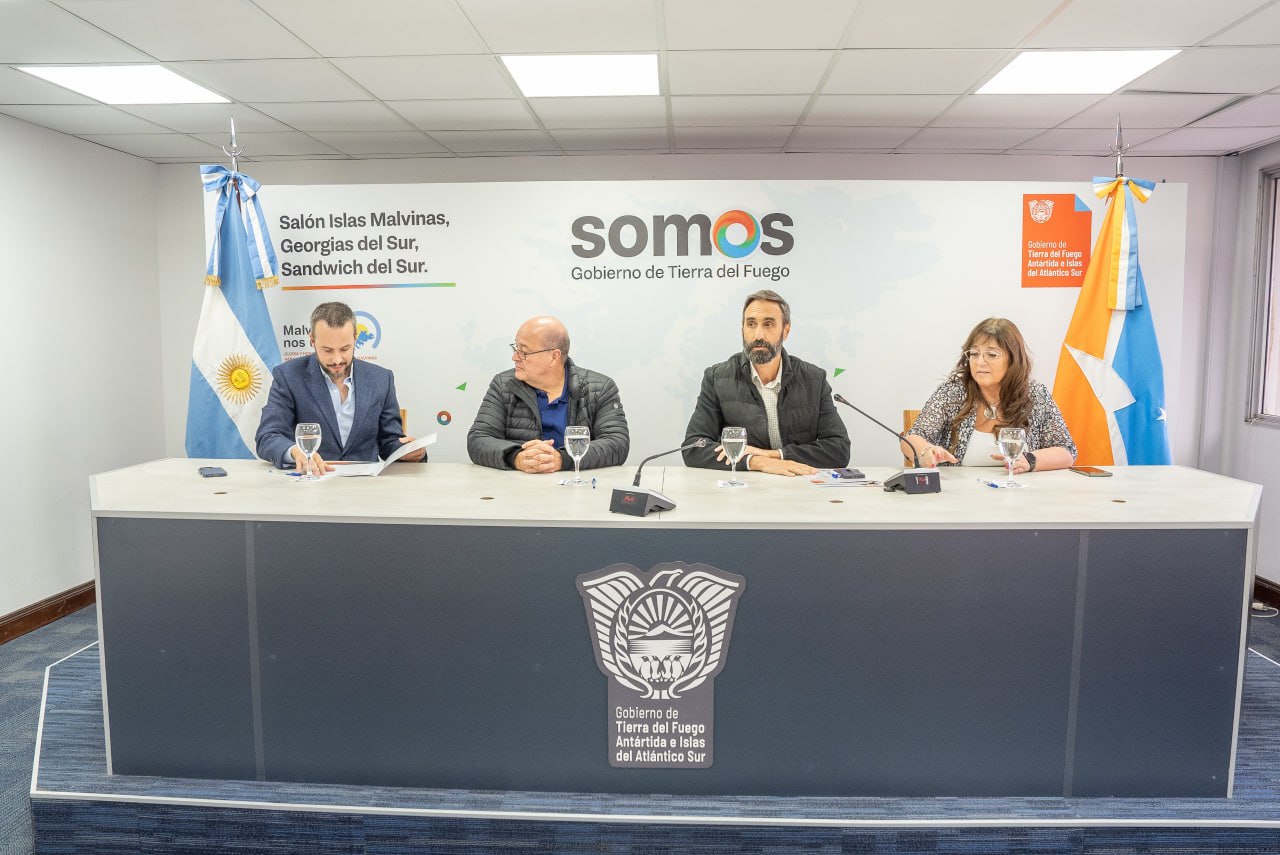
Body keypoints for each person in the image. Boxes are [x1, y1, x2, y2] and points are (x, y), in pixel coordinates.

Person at [682, 289, 850, 475]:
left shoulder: (814, 379)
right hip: (745, 486)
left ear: (785, 330)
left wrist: (775, 456)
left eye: (768, 324)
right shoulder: (718, 378)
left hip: (799, 484)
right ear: (742, 329)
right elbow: (693, 447)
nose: (758, 335)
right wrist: (756, 462)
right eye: (751, 324)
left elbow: (839, 449)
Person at [255, 301, 426, 474]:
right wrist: (294, 451)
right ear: (312, 340)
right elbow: (267, 436)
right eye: (328, 350)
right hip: (312, 480)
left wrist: (409, 451)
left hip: (366, 484)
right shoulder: (288, 376)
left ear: (355, 338)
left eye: (345, 349)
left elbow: (389, 442)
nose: (337, 359)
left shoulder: (382, 379)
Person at [903, 317, 1076, 473]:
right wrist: (926, 452)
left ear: (1013, 359)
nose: (980, 362)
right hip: (960, 494)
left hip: (1022, 494)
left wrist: (1029, 460)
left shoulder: (1035, 395)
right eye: (974, 353)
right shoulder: (952, 393)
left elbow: (1066, 451)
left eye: (991, 355)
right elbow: (910, 439)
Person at [467, 316, 630, 473]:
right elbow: (478, 439)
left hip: (575, 486)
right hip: (518, 485)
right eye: (515, 348)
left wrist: (561, 459)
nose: (514, 357)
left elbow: (617, 444)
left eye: (524, 352)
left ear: (554, 357)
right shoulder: (503, 385)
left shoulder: (600, 388)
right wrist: (517, 458)